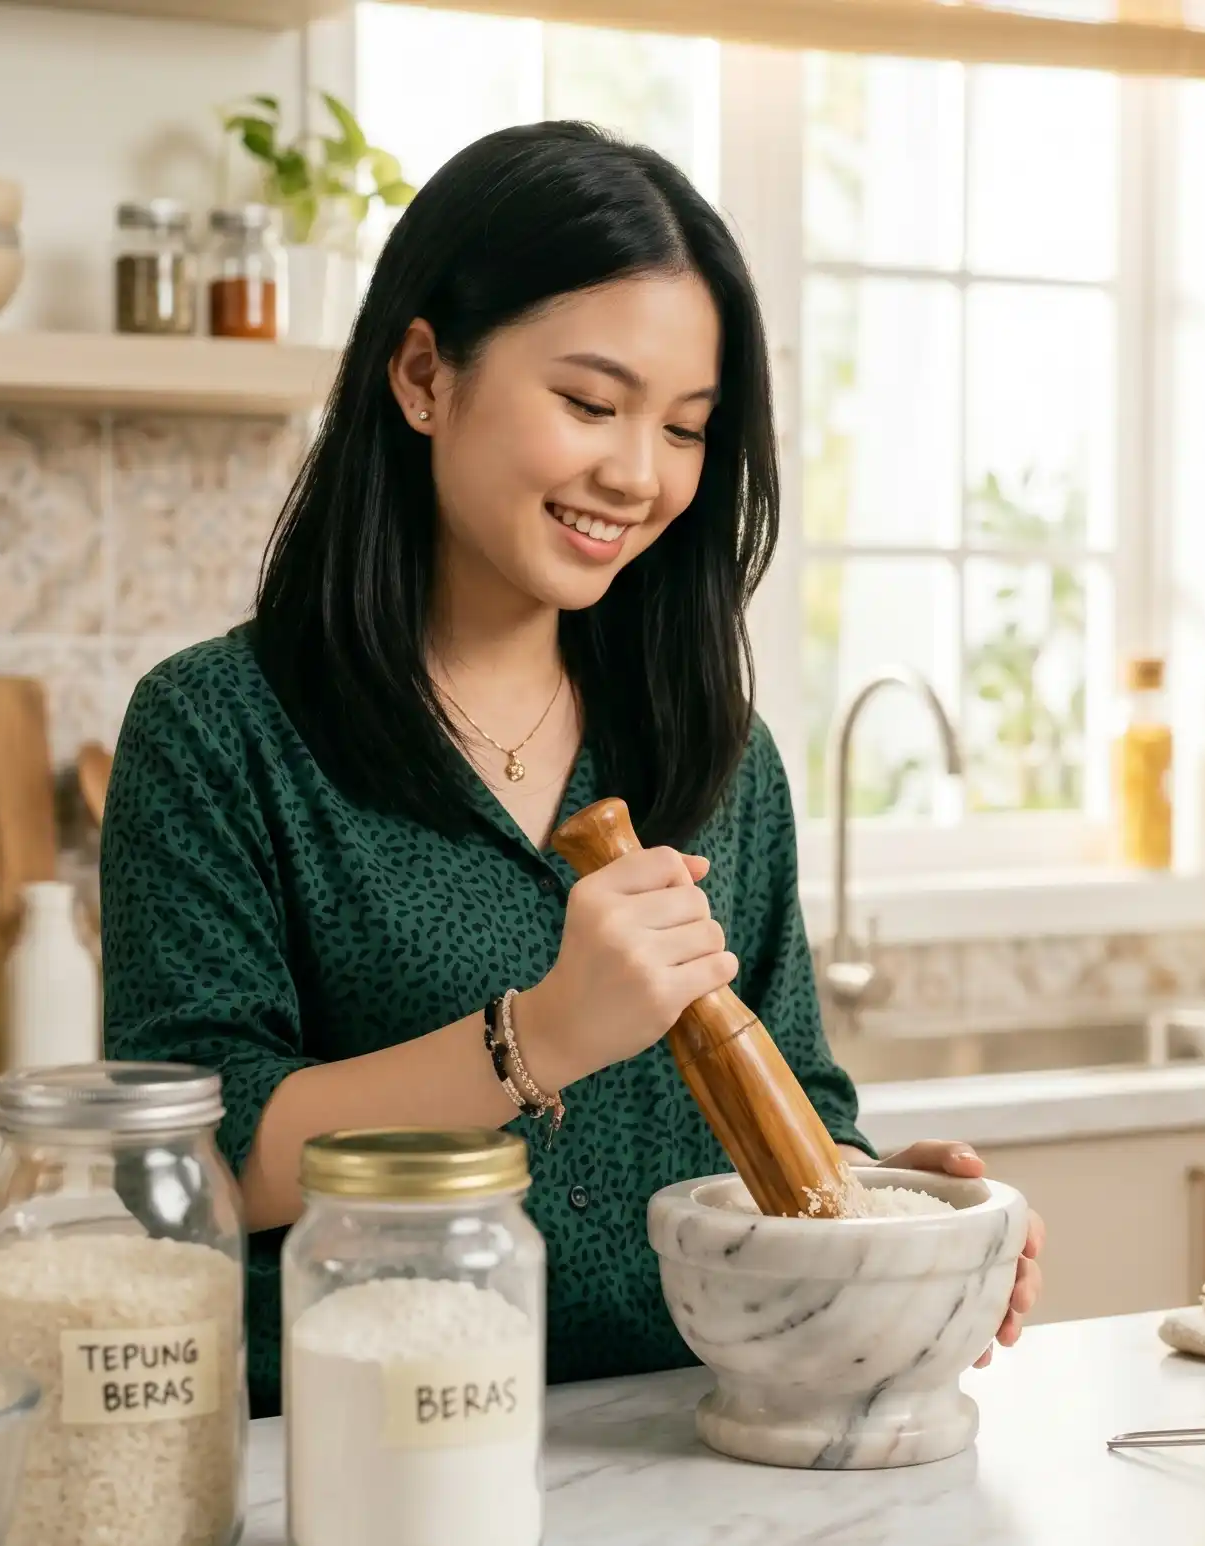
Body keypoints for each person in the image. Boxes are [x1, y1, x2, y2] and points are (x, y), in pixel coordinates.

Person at [102, 121, 1045, 1417]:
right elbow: (198, 1159)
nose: (638, 474)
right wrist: (535, 1036)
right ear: (424, 374)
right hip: (358, 1447)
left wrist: (875, 1207)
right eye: (590, 404)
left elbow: (801, 1099)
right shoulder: (221, 731)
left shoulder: (712, 747)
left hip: (682, 1446)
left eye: (686, 428)